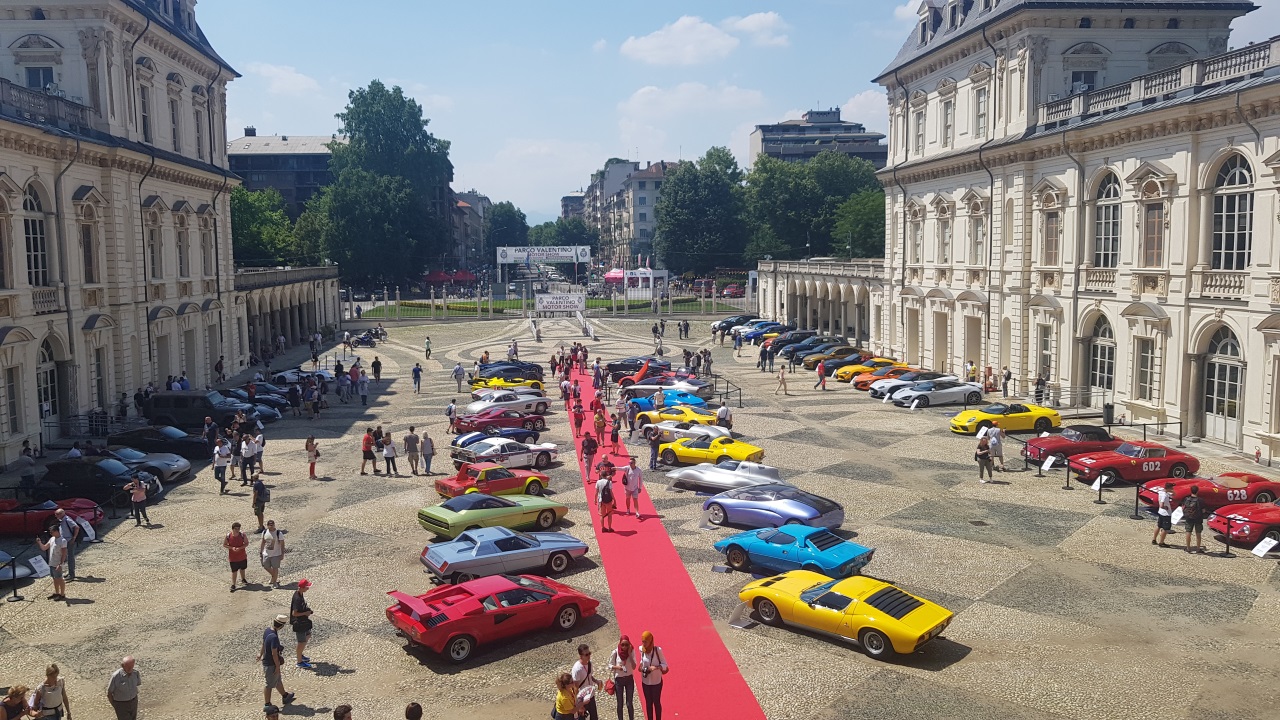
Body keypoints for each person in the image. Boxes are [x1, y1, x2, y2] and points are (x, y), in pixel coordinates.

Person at [257, 616, 295, 707]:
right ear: (282, 626)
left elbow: (263, 643)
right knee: (269, 684)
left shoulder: (267, 631)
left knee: (277, 680)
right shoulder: (274, 636)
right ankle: (267, 704)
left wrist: (260, 654)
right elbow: (274, 653)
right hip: (271, 664)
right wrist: (277, 667)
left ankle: (285, 696)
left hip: (268, 661)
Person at [638, 632, 668, 720]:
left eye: (645, 642)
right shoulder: (641, 649)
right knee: (648, 703)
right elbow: (642, 661)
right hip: (646, 681)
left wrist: (655, 667)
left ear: (650, 641)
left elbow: (664, 664)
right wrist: (642, 667)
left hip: (656, 681)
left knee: (656, 702)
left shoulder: (657, 650)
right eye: (643, 641)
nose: (644, 644)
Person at [608, 635, 637, 720]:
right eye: (622, 645)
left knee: (629, 704)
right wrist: (617, 667)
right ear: (620, 644)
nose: (624, 647)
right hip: (619, 680)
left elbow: (634, 666)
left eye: (626, 644)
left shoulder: (631, 651)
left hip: (629, 679)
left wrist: (629, 655)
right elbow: (609, 665)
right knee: (620, 704)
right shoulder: (615, 652)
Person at [572, 644, 602, 720]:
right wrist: (580, 705)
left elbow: (589, 676)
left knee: (594, 717)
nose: (589, 656)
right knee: (582, 718)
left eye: (589, 653)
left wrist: (596, 681)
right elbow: (575, 688)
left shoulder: (589, 664)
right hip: (582, 699)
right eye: (586, 654)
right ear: (580, 656)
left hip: (591, 696)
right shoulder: (577, 669)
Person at [36, 529, 67, 602]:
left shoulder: (63, 541)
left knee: (59, 578)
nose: (51, 533)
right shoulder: (52, 539)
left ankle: (62, 594)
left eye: (52, 532)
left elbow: (64, 554)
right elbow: (44, 548)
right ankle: (57, 593)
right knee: (54, 578)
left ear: (57, 531)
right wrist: (39, 542)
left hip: (57, 563)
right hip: (51, 562)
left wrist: (60, 564)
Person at [291, 579, 315, 669]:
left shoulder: (300, 594)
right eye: (307, 587)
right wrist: (305, 613)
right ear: (302, 587)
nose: (308, 588)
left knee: (308, 635)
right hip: (299, 623)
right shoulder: (297, 598)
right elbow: (294, 613)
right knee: (301, 642)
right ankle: (299, 661)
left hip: (304, 622)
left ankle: (300, 655)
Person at [55, 508, 79, 581]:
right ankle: (70, 573)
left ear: (61, 514)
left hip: (69, 540)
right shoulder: (62, 520)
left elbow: (76, 527)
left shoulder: (67, 520)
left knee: (70, 557)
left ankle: (72, 574)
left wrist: (74, 538)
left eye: (57, 514)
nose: (56, 516)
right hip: (65, 541)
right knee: (66, 556)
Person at [225, 521, 250, 592]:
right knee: (234, 571)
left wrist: (240, 548)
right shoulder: (228, 536)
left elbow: (246, 543)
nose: (237, 530)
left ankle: (243, 579)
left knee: (242, 568)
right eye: (236, 529)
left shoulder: (242, 535)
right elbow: (224, 544)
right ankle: (233, 584)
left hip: (242, 556)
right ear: (232, 529)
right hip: (233, 558)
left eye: (238, 529)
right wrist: (232, 548)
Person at [1181, 485, 1206, 553]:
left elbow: (1183, 507)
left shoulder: (1186, 499)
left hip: (1188, 518)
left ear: (1191, 491)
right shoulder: (1200, 500)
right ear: (1197, 491)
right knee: (1198, 533)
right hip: (1198, 518)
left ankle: (1188, 548)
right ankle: (1198, 548)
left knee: (1188, 532)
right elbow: (1203, 510)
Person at [260, 519, 285, 586]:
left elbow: (282, 544)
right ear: (267, 526)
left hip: (276, 554)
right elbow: (263, 542)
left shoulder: (279, 533)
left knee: (275, 568)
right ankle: (274, 576)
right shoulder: (264, 532)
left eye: (272, 525)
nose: (271, 526)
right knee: (265, 566)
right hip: (266, 553)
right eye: (270, 525)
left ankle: (274, 582)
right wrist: (261, 552)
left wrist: (282, 554)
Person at [1153, 481, 1175, 548]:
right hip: (1166, 514)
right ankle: (1161, 542)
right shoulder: (1165, 495)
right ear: (1169, 488)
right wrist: (1165, 507)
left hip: (1160, 512)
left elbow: (1174, 495)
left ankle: (1154, 539)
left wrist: (1172, 491)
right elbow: (1161, 504)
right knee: (1165, 528)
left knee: (1159, 525)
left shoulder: (1162, 492)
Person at [596, 467, 616, 533]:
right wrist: (614, 499)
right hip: (608, 500)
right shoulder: (609, 482)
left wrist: (594, 499)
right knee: (610, 514)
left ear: (601, 475)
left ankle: (603, 527)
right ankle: (610, 528)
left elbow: (596, 492)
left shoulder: (598, 482)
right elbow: (611, 492)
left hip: (601, 500)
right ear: (606, 475)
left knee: (602, 515)